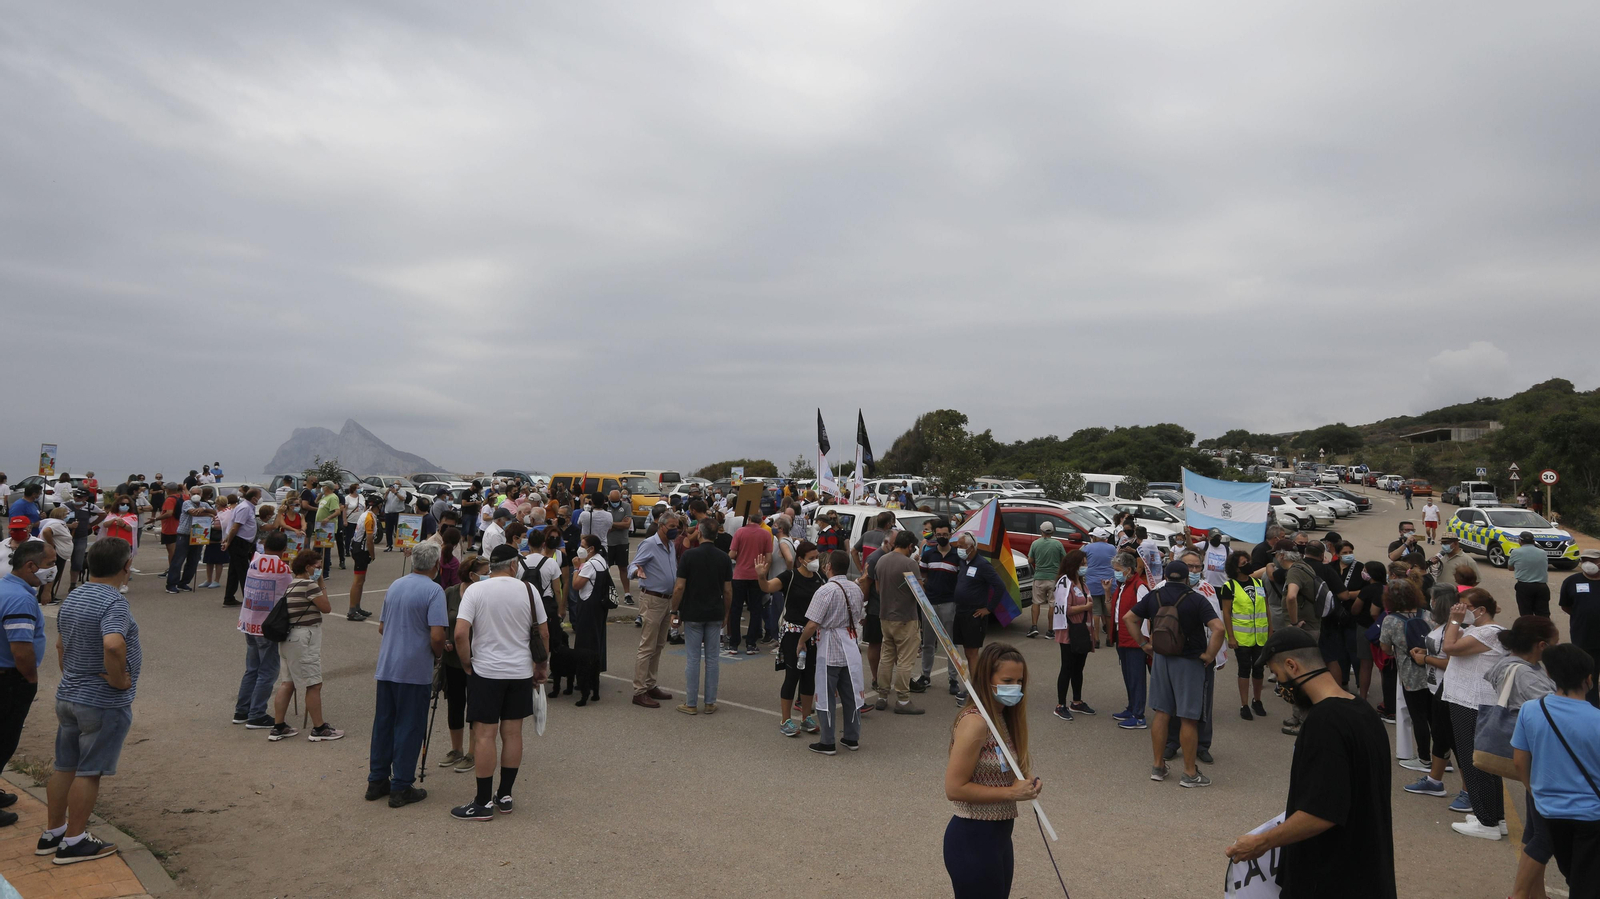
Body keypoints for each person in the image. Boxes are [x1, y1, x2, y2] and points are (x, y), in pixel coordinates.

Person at [1225, 626, 1396, 899]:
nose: (1281, 688)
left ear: (1292, 665)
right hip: (1368, 873)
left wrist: (1260, 843)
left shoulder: (1324, 723)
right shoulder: (1362, 710)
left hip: (1329, 880)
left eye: (1278, 676)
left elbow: (1323, 812)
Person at [43, 537, 141, 865]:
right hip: (101, 702)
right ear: (126, 566)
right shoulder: (113, 602)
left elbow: (60, 646)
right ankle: (74, 841)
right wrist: (118, 679)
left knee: (64, 766)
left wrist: (73, 675)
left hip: (69, 695)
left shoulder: (75, 595)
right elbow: (113, 644)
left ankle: (53, 833)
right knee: (89, 771)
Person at [450, 544, 549, 821]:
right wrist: (541, 666)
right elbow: (543, 632)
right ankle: (504, 795)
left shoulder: (475, 591)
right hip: (519, 672)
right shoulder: (529, 591)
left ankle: (482, 802)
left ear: (491, 566)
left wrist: (467, 662)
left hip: (486, 672)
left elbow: (460, 634)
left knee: (484, 735)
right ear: (514, 565)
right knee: (513, 734)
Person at [943, 642, 1039, 899]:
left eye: (1019, 681)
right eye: (1007, 680)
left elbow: (1005, 767)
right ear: (987, 679)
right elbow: (954, 788)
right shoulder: (975, 723)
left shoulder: (1004, 717)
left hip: (999, 836)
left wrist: (1027, 779)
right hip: (973, 838)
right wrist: (1011, 793)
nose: (1015, 687)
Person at [1123, 559, 1224, 787]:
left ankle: (1158, 766)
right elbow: (1218, 628)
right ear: (1187, 578)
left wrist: (1143, 644)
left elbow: (1129, 618)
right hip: (1189, 662)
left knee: (1162, 713)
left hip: (1161, 659)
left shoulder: (1154, 597)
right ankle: (1189, 773)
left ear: (1166, 577)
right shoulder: (1196, 599)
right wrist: (1209, 655)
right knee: (1188, 717)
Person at [1511, 644, 1600, 898]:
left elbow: (1519, 761)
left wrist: (1534, 790)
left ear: (1549, 675)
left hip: (1549, 812)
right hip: (1591, 816)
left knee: (1571, 872)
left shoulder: (1531, 710)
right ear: (1589, 679)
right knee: (1587, 882)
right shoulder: (1597, 720)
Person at [1484, 616, 1560, 899]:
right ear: (1541, 645)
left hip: (1535, 759)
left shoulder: (1517, 664)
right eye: (1555, 642)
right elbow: (1553, 711)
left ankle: (1536, 894)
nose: (1557, 646)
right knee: (1544, 837)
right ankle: (1518, 895)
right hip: (1542, 760)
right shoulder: (1526, 675)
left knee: (1535, 834)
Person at [366, 542, 447, 809]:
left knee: (384, 724)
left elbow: (381, 627)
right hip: (414, 669)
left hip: (388, 665)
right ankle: (401, 785)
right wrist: (438, 652)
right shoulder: (434, 591)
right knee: (410, 726)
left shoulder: (396, 585)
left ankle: (377, 780)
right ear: (436, 565)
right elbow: (437, 635)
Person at [1442, 587, 1510, 839]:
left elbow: (1449, 646)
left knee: (1475, 763)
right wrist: (1457, 621)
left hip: (1473, 704)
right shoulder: (1478, 630)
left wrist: (1455, 620)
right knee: (1485, 763)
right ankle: (1496, 818)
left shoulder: (1489, 633)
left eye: (1464, 606)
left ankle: (1487, 823)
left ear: (1480, 610)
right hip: (1470, 701)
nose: (1459, 610)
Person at [267, 550, 343, 742]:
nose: (319, 569)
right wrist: (321, 584)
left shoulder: (292, 585)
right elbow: (326, 607)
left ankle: (279, 726)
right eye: (317, 566)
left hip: (288, 639)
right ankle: (319, 728)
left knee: (288, 682)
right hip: (303, 639)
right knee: (314, 684)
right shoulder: (309, 585)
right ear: (308, 567)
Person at [0, 541, 49, 826]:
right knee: (4, 739)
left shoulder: (7, 587)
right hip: (10, 680)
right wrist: (29, 677)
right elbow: (21, 648)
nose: (53, 570)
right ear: (31, 566)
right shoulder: (19, 598)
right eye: (49, 564)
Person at [798, 550, 866, 755]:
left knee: (825, 695)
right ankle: (852, 737)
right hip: (850, 645)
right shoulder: (856, 588)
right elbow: (860, 616)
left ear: (828, 567)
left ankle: (827, 741)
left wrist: (801, 641)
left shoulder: (825, 591)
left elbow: (812, 623)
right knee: (851, 694)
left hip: (830, 646)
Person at [755, 541, 824, 736]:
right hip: (793, 632)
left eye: (816, 557)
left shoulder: (820, 577)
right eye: (811, 558)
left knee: (809, 676)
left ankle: (806, 718)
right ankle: (785, 720)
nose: (815, 561)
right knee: (793, 675)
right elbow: (767, 587)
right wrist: (761, 576)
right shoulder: (790, 576)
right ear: (801, 560)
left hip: (813, 634)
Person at [671, 517, 733, 715]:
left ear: (699, 532)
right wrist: (727, 612)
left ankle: (690, 703)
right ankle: (710, 702)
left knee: (693, 658)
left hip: (693, 612)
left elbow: (680, 586)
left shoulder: (689, 556)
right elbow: (728, 590)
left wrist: (674, 610)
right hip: (715, 611)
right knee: (713, 659)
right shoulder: (723, 557)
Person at [437, 552, 486, 774]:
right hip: (452, 660)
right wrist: (446, 639)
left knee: (475, 707)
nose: (489, 577)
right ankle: (456, 749)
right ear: (472, 574)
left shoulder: (485, 595)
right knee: (455, 705)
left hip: (478, 659)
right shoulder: (450, 593)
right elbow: (441, 621)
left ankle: (472, 753)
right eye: (485, 573)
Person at [628, 513, 679, 709]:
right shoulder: (650, 544)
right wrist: (636, 571)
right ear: (661, 526)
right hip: (653, 599)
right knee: (647, 646)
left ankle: (650, 684)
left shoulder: (671, 545)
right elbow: (633, 565)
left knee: (658, 645)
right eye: (672, 526)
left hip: (667, 600)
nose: (675, 529)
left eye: (677, 526)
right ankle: (639, 690)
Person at [872, 530, 925, 715]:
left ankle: (882, 695)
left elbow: (878, 589)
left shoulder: (882, 560)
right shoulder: (910, 563)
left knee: (886, 657)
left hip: (885, 616)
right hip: (905, 618)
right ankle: (903, 699)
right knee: (905, 660)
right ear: (910, 546)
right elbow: (919, 592)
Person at [951, 533, 1003, 704]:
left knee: (973, 653)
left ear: (971, 547)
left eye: (961, 546)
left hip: (974, 615)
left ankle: (977, 689)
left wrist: (989, 609)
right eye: (958, 546)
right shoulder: (963, 562)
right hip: (961, 612)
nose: (959, 549)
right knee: (967, 651)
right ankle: (975, 685)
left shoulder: (982, 565)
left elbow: (999, 586)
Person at [1221, 549, 1270, 721]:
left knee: (1258, 670)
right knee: (1244, 670)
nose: (1248, 565)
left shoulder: (1258, 584)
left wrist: (1270, 631)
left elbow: (1266, 608)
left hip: (1261, 636)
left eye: (1247, 561)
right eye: (1244, 563)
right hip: (1242, 638)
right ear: (1236, 568)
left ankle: (1257, 700)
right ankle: (1244, 705)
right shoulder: (1229, 587)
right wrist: (1231, 637)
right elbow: (1226, 613)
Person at [1050, 549, 1094, 721]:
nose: (1085, 567)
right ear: (1074, 565)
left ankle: (1076, 701)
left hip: (1082, 630)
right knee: (1067, 667)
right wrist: (1085, 608)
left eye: (1086, 564)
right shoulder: (1065, 583)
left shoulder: (1081, 583)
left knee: (1078, 668)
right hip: (1069, 631)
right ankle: (1060, 705)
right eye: (1083, 564)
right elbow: (1065, 609)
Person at [1109, 552, 1151, 730]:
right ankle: (1132, 707)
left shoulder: (1139, 587)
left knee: (1136, 677)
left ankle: (1139, 715)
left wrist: (1144, 641)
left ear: (1128, 570)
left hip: (1134, 640)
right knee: (1128, 676)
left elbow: (1145, 613)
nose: (1115, 573)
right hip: (1122, 637)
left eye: (1118, 570)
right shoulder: (1123, 585)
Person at [567, 535, 609, 704]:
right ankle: (594, 675)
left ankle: (584, 678)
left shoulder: (590, 564)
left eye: (583, 545)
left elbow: (576, 585)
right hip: (599, 605)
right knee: (596, 640)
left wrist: (577, 567)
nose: (580, 547)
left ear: (591, 549)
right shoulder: (602, 561)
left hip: (588, 605)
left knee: (584, 643)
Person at [726, 510, 774, 656]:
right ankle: (751, 644)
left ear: (749, 519)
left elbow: (732, 554)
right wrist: (764, 574)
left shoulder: (740, 532)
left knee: (736, 609)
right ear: (761, 520)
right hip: (756, 576)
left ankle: (734, 643)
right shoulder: (766, 534)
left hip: (740, 575)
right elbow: (769, 557)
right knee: (755, 609)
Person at [1559, 549, 1600, 705]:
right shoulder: (1571, 582)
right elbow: (1566, 606)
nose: (1588, 564)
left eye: (1593, 560)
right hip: (1584, 637)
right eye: (1585, 560)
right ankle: (1591, 707)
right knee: (1588, 676)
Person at [220, 487, 261, 607]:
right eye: (259, 497)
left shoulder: (247, 507)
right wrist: (228, 541)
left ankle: (229, 597)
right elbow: (235, 527)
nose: (260, 499)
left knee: (234, 571)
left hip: (243, 542)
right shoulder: (245, 508)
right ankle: (248, 599)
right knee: (244, 571)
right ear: (253, 498)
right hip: (239, 542)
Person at [1026, 521, 1064, 639]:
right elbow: (1064, 559)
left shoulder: (1035, 543)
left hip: (1039, 577)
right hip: (1054, 578)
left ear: (1041, 531)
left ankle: (1034, 626)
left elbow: (1030, 560)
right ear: (1052, 531)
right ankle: (1050, 630)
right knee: (1052, 604)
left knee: (1036, 602)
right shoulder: (1058, 544)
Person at [347, 495, 380, 621]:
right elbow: (370, 540)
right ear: (379, 506)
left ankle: (357, 607)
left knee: (361, 581)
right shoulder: (369, 517)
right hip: (361, 550)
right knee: (358, 581)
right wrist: (373, 555)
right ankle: (351, 610)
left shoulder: (368, 514)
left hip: (358, 548)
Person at [1082, 527, 1118, 647]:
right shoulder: (1112, 548)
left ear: (1096, 537)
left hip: (1093, 581)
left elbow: (1082, 559)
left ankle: (1096, 639)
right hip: (1109, 581)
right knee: (1108, 612)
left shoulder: (1087, 547)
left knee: (1096, 611)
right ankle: (1109, 637)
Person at [604, 489, 633, 606]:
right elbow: (605, 526)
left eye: (617, 501)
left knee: (623, 568)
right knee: (606, 569)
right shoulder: (605, 507)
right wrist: (618, 524)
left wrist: (612, 524)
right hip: (608, 543)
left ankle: (627, 594)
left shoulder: (626, 506)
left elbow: (627, 524)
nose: (615, 503)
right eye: (613, 501)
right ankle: (606, 592)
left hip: (622, 542)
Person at [382, 481, 405, 552]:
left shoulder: (402, 491)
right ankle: (389, 545)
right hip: (388, 513)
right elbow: (384, 499)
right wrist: (387, 492)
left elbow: (403, 498)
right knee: (388, 530)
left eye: (397, 484)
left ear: (400, 485)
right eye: (394, 484)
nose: (395, 486)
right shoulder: (389, 492)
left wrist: (395, 492)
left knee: (399, 530)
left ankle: (401, 546)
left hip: (398, 512)